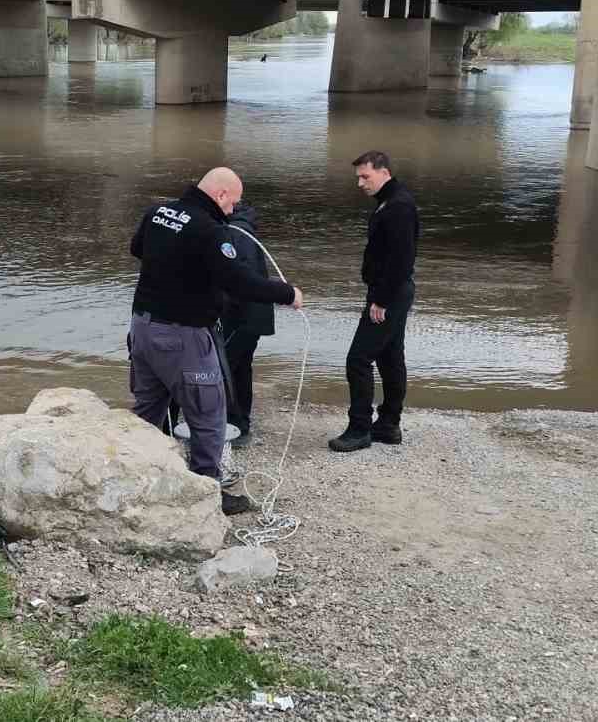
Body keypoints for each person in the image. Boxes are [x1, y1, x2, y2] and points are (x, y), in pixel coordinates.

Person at [128, 168, 302, 514]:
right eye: (233, 203)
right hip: (184, 336)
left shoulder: (158, 212)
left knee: (147, 410)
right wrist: (288, 293)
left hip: (143, 329)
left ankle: (136, 480)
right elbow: (240, 283)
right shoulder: (210, 231)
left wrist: (179, 271)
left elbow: (138, 249)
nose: (232, 210)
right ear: (221, 195)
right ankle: (207, 494)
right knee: (208, 416)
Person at [331, 150, 419, 453]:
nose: (360, 183)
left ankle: (359, 429)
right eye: (358, 177)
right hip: (393, 290)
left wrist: (381, 299)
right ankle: (388, 425)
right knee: (390, 356)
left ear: (384, 172)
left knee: (358, 359)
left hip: (390, 292)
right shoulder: (391, 202)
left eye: (365, 176)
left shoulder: (398, 207)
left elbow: (402, 260)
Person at [220, 201, 273, 449]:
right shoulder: (242, 230)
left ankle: (235, 425)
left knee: (225, 369)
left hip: (241, 316)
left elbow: (239, 280)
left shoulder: (234, 233)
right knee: (240, 368)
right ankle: (240, 423)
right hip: (253, 315)